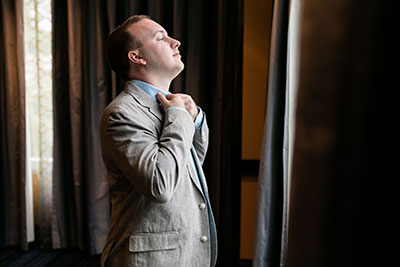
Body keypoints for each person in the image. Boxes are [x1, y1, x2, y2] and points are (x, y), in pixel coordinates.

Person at [99, 15, 217, 267]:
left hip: (186, 252)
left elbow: (186, 172)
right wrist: (177, 116)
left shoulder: (172, 107)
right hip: (151, 260)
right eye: (161, 38)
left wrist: (193, 120)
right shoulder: (121, 114)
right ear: (137, 57)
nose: (176, 42)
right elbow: (161, 184)